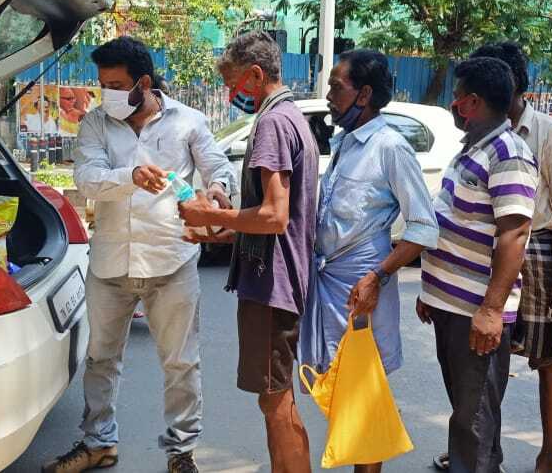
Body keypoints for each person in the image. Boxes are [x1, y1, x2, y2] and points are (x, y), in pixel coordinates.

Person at [43, 36, 235, 473]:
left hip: (171, 260)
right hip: (110, 263)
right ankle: (99, 443)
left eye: (115, 84)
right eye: (102, 84)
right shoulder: (95, 124)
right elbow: (88, 179)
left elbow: (217, 167)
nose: (105, 93)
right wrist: (130, 177)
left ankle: (181, 452)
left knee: (181, 363)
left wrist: (219, 190)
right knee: (100, 360)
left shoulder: (188, 122)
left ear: (143, 82)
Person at [179, 31, 319, 473]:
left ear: (256, 76)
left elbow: (275, 217)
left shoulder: (273, 124)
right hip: (279, 278)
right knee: (276, 398)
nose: (230, 94)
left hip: (272, 286)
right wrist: (223, 230)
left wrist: (208, 214)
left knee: (276, 402)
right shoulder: (292, 117)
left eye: (234, 84)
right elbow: (281, 219)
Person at [300, 49, 438, 473]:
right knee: (338, 389)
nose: (327, 95)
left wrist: (377, 277)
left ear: (363, 94)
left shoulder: (389, 147)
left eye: (335, 86)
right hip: (329, 284)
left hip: (363, 288)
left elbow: (423, 227)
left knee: (364, 397)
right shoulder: (343, 143)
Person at [417, 57, 539, 473]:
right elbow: (452, 221)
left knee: (474, 419)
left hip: (477, 312)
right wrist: (430, 290)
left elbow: (514, 234)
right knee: (468, 409)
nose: (452, 104)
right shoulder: (472, 149)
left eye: (456, 97)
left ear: (472, 102)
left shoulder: (509, 154)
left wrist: (490, 310)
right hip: (451, 305)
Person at [468, 43, 552, 473]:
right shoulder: (478, 131)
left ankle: (548, 455)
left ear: (513, 85)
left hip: (535, 249)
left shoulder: (549, 133)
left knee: (548, 362)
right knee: (484, 358)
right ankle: (481, 453)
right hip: (488, 251)